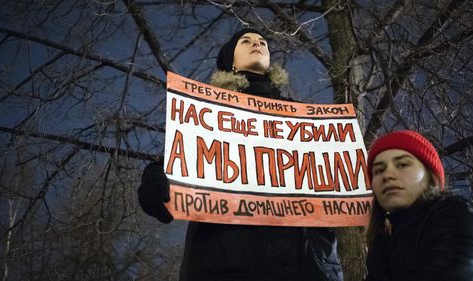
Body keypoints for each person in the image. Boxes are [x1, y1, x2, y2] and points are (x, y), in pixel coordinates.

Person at [138, 28, 343, 281]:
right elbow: (180, 157)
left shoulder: (304, 118)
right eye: (245, 41)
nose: (256, 43)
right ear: (230, 61)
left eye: (262, 42)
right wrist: (154, 176)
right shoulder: (208, 115)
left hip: (305, 262)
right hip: (228, 259)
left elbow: (338, 173)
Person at [364, 130, 473, 281]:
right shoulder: (383, 245)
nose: (387, 175)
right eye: (379, 170)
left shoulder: (455, 216)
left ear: (429, 176)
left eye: (402, 165)